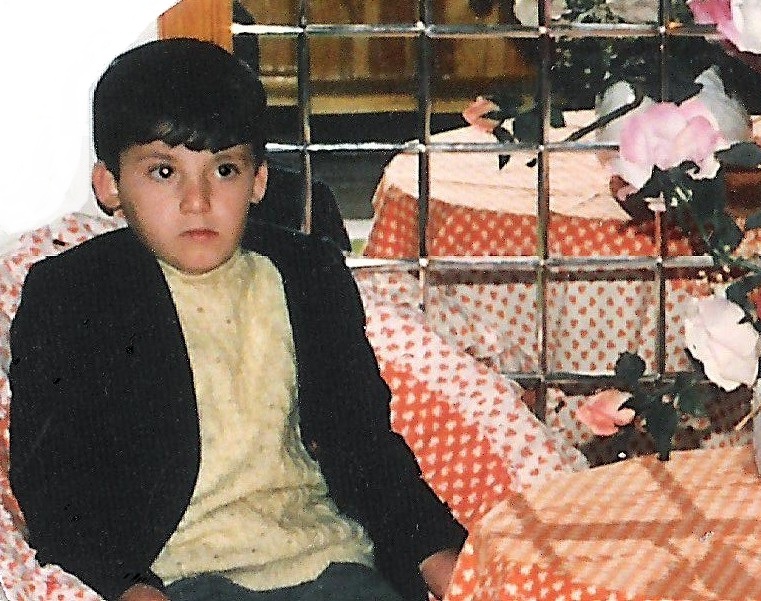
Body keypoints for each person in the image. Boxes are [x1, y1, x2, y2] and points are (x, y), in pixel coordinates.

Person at [7, 38, 465, 601]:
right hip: (180, 577)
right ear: (110, 185)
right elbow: (53, 482)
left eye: (224, 169)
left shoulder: (309, 275)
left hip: (331, 561)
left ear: (258, 180)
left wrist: (439, 557)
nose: (197, 200)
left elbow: (363, 444)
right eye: (163, 172)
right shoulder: (74, 295)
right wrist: (125, 586)